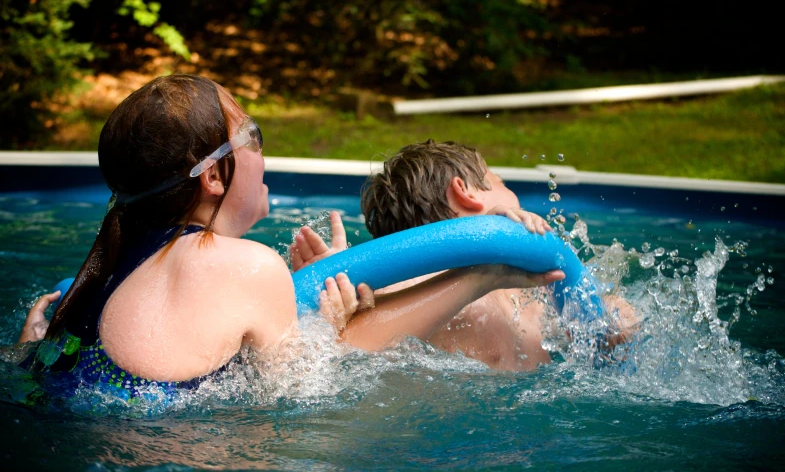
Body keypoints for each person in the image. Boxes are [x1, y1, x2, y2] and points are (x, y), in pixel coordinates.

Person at [19, 75, 561, 398]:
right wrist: (483, 274)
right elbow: (304, 395)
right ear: (212, 176)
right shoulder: (244, 265)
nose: (262, 148)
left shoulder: (92, 280)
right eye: (250, 134)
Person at [292, 140, 639, 371]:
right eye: (502, 182)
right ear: (464, 192)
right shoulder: (415, 284)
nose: (512, 196)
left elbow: (606, 334)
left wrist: (614, 312)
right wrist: (340, 291)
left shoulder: (524, 293)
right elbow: (337, 359)